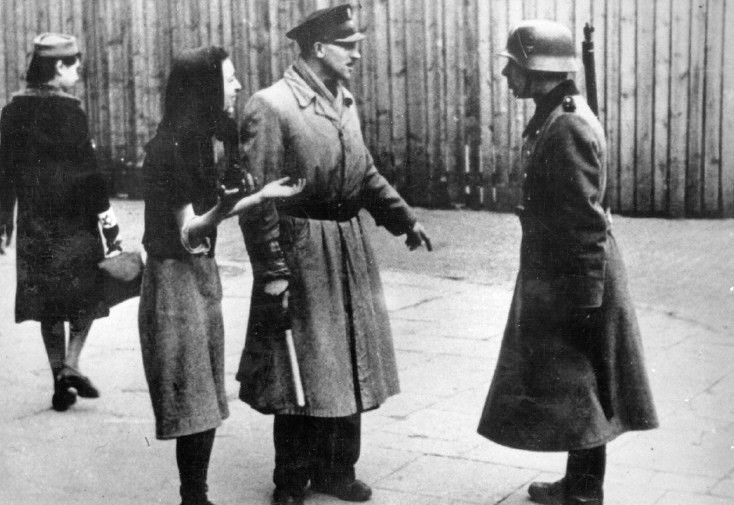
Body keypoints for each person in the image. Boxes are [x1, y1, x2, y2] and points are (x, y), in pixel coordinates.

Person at [235, 4, 432, 505]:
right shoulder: (271, 104)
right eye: (350, 46)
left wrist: (403, 220)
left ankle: (337, 470)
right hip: (302, 252)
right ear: (319, 48)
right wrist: (273, 273)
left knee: (350, 358)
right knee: (302, 364)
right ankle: (291, 478)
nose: (358, 55)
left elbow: (364, 174)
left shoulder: (345, 100)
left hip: (349, 246)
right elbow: (257, 203)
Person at [476, 20, 658, 505]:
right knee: (578, 385)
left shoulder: (569, 123)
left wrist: (584, 300)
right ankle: (579, 484)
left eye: (512, 66)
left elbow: (583, 222)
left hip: (575, 274)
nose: (505, 75)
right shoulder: (556, 113)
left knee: (581, 382)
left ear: (538, 70)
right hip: (562, 271)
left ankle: (583, 494)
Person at [138, 46, 304, 505]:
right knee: (193, 396)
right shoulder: (168, 148)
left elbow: (205, 221)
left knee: (205, 396)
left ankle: (196, 495)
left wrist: (262, 194)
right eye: (228, 79)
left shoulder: (194, 143)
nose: (235, 87)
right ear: (204, 88)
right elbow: (189, 227)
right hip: (174, 281)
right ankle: (194, 498)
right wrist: (232, 204)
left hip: (198, 273)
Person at [0, 33, 121, 412]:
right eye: (74, 66)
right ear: (57, 68)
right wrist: (108, 223)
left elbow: (4, 171)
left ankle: (59, 378)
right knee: (87, 293)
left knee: (49, 303)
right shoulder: (71, 111)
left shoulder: (12, 110)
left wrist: (5, 216)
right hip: (76, 219)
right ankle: (71, 363)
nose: (78, 72)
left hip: (36, 219)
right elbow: (89, 172)